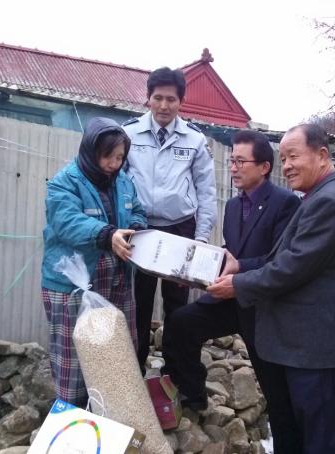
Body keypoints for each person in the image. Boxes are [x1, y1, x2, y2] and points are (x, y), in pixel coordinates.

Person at [208, 123, 335, 454]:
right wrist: (241, 267)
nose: (287, 166)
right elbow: (291, 258)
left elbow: (292, 268)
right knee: (314, 434)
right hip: (316, 346)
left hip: (324, 348)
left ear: (322, 155)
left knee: (328, 441)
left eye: (294, 156)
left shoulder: (329, 201)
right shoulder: (320, 196)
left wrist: (239, 285)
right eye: (284, 158)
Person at [161, 129, 302, 451]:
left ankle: (288, 444)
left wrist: (239, 271)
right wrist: (197, 273)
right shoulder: (234, 206)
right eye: (232, 161)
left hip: (263, 303)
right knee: (181, 322)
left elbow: (280, 259)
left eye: (241, 161)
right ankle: (193, 395)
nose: (234, 168)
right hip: (229, 298)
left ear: (264, 167)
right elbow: (230, 254)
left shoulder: (285, 204)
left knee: (275, 388)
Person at [41, 117, 147, 407]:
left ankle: (114, 412)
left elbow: (137, 211)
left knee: (117, 350)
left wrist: (136, 226)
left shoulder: (123, 182)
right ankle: (73, 416)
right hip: (74, 285)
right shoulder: (64, 182)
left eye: (120, 157)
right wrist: (107, 234)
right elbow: (67, 222)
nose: (114, 164)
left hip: (117, 278)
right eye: (108, 156)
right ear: (90, 151)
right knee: (74, 356)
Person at [123, 66, 217, 372]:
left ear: (181, 102)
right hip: (140, 229)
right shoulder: (128, 134)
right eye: (158, 98)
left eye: (171, 99)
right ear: (148, 98)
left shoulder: (195, 140)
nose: (164, 105)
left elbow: (206, 192)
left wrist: (200, 239)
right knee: (138, 303)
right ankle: (134, 371)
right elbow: (117, 182)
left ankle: (176, 372)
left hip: (180, 229)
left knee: (177, 305)